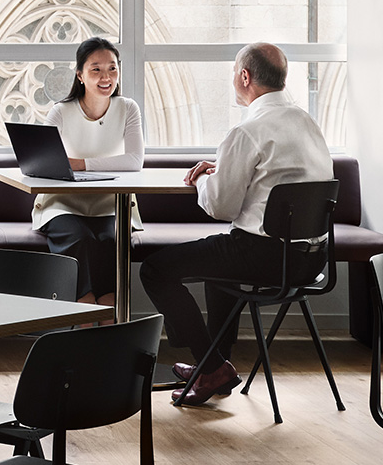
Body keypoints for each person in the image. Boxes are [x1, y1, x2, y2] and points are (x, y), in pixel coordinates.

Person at [139, 42, 334, 407]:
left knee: (155, 270)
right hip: (313, 260)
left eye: (233, 73)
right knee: (219, 268)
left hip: (263, 255)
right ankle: (212, 366)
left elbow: (220, 207)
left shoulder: (246, 132)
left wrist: (200, 179)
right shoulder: (309, 124)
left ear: (245, 77)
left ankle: (212, 368)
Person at [32, 37, 144, 304]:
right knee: (78, 237)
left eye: (112, 68)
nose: (106, 76)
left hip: (112, 203)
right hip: (62, 204)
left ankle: (108, 316)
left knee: (111, 239)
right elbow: (44, 164)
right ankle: (83, 310)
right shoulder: (60, 112)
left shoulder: (128, 108)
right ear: (80, 75)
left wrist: (81, 164)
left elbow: (134, 161)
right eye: (96, 69)